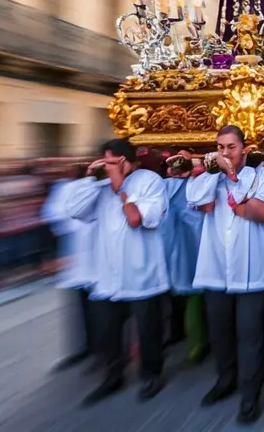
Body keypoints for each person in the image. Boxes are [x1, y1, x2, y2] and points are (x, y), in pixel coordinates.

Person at [186, 125, 264, 424]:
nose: (225, 152)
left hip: (251, 270)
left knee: (250, 335)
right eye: (220, 146)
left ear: (244, 149)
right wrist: (214, 172)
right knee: (220, 333)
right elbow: (200, 201)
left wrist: (232, 180)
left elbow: (263, 212)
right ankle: (225, 380)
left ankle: (250, 395)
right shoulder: (208, 177)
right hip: (215, 269)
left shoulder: (261, 176)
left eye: (230, 147)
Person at [67, 139, 170, 406]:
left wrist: (121, 188)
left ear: (127, 162)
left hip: (141, 273)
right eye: (105, 162)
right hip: (107, 274)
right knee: (108, 331)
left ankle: (151, 374)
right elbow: (74, 211)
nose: (107, 167)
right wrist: (90, 178)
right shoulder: (99, 186)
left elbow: (137, 219)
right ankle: (113, 376)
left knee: (148, 330)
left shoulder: (149, 181)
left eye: (111, 162)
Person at [40, 163, 99, 373]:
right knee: (81, 306)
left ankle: (103, 351)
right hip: (75, 257)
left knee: (100, 308)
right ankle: (85, 348)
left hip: (98, 258)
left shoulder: (99, 187)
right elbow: (54, 217)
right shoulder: (64, 188)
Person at [161, 151, 210, 362]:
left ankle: (189, 339)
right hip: (193, 244)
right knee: (194, 297)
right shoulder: (193, 185)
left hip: (178, 246)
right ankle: (196, 342)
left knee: (184, 295)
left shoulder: (164, 187)